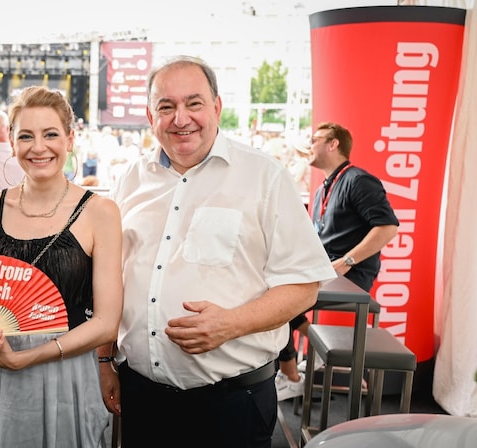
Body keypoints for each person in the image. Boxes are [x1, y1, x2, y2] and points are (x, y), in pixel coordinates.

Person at [101, 56, 337, 448]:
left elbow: (303, 285)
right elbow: (112, 280)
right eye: (166, 106)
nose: (181, 118)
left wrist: (233, 323)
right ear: (149, 116)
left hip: (232, 404)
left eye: (194, 103)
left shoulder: (264, 176)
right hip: (143, 398)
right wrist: (105, 360)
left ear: (216, 107)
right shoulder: (131, 179)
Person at [0, 85, 123, 448]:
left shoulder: (100, 212)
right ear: (12, 143)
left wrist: (27, 358)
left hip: (66, 374)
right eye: (26, 136)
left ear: (69, 138)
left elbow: (106, 322)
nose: (38, 147)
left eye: (50, 134)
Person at [275, 121, 400, 400]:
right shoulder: (323, 188)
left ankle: (292, 375)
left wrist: (347, 261)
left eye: (315, 139)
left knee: (278, 301)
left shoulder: (358, 180)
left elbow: (388, 227)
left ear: (334, 144)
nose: (309, 146)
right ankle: (310, 349)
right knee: (270, 287)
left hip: (349, 276)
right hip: (325, 270)